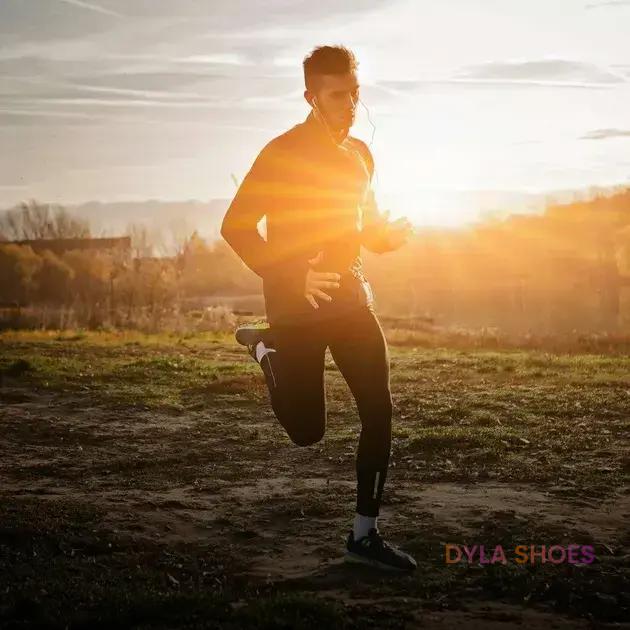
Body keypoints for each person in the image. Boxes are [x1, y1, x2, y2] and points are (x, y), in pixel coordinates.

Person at [220, 45, 416, 572]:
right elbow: (236, 225)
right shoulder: (281, 152)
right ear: (310, 96)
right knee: (308, 433)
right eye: (338, 95)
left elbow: (363, 228)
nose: (350, 103)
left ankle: (364, 535)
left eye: (355, 92)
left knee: (379, 411)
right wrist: (290, 275)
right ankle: (266, 347)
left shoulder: (361, 154)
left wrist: (387, 238)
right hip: (297, 306)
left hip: (351, 300)